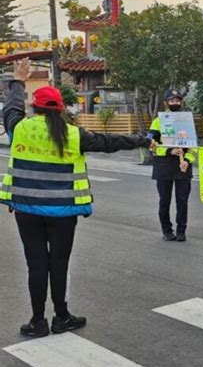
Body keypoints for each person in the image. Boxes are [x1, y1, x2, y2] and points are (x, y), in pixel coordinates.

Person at [0, 59, 155, 338]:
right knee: (58, 264)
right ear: (61, 110)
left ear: (34, 107)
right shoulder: (74, 134)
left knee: (36, 264)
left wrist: (18, 80)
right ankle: (61, 318)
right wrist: (143, 140)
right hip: (63, 213)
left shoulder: (18, 128)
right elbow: (110, 143)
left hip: (27, 211)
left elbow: (10, 106)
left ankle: (37, 321)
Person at [148, 89, 195, 242]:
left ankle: (182, 230)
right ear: (166, 102)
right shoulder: (158, 121)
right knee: (164, 200)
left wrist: (187, 160)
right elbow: (150, 144)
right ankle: (167, 230)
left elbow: (193, 146)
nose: (175, 103)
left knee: (182, 200)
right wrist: (169, 151)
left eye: (178, 100)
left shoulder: (187, 121)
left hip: (182, 167)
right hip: (164, 165)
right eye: (172, 100)